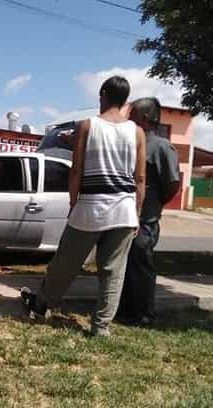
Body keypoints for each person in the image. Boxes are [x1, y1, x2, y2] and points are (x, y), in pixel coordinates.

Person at [20, 76, 147, 337]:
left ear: (103, 95)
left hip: (90, 207)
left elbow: (76, 169)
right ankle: (101, 327)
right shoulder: (136, 132)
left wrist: (73, 202)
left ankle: (42, 304)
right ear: (125, 100)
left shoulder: (86, 126)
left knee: (66, 262)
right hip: (124, 209)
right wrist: (137, 213)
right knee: (113, 272)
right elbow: (141, 178)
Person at [117, 98, 180, 326]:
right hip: (125, 216)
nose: (127, 120)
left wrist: (155, 204)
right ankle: (127, 310)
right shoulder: (130, 143)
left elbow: (172, 183)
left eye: (131, 116)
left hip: (145, 220)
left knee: (141, 267)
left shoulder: (161, 147)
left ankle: (143, 315)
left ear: (144, 119)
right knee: (127, 266)